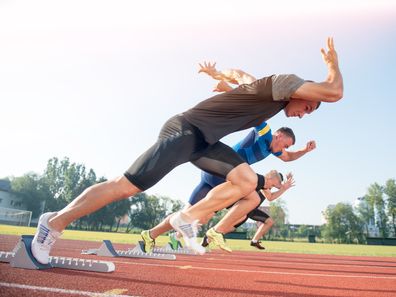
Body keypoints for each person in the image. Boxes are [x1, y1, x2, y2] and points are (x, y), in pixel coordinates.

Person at [32, 37, 343, 263]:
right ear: (299, 91)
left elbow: (242, 75)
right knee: (125, 187)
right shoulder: (285, 82)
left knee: (248, 182)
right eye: (309, 106)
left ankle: (187, 218)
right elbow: (334, 92)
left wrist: (221, 77)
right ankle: (54, 223)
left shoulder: (270, 101)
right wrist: (333, 68)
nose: (305, 112)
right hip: (185, 130)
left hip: (205, 142)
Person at [140, 119, 313, 253]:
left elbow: (288, 157)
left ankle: (151, 235)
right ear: (279, 136)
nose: (285, 149)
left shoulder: (273, 150)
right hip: (223, 173)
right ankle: (217, 231)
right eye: (286, 144)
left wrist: (304, 151)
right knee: (252, 198)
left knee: (189, 214)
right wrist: (229, 84)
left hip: (213, 173)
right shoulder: (265, 132)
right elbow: (253, 109)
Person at [203, 172, 295, 252]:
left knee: (231, 227)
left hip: (251, 209)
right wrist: (284, 187)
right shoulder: (264, 184)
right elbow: (271, 197)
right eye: (278, 182)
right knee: (229, 226)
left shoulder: (266, 186)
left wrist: (285, 185)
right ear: (273, 178)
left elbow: (273, 194)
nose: (274, 186)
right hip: (246, 207)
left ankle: (253, 241)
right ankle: (208, 238)